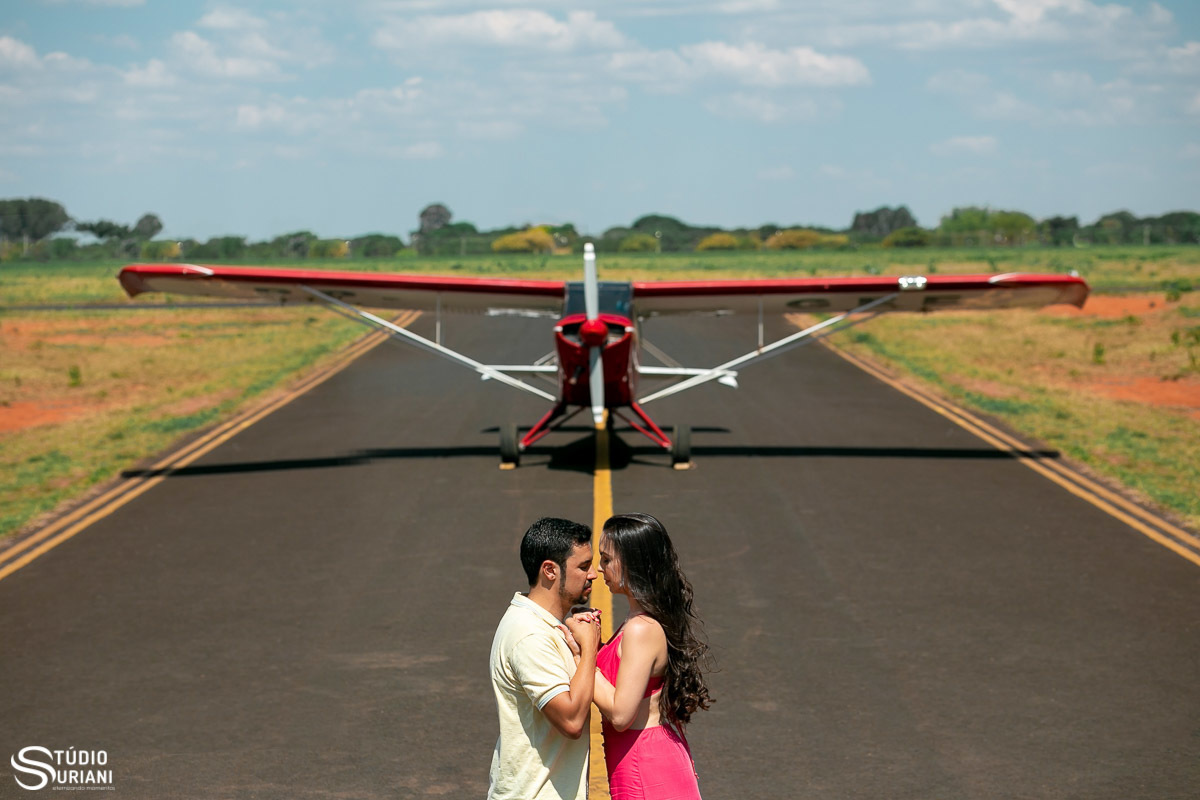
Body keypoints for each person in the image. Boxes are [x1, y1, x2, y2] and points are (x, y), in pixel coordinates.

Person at [590, 513, 711, 800]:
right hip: (639, 758)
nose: (600, 567)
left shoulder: (640, 629)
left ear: (632, 563)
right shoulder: (639, 622)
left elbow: (621, 714)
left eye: (607, 559)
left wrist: (580, 660)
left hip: (644, 763)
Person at [488, 517, 602, 800]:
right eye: (583, 566)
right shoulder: (530, 636)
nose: (593, 575)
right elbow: (571, 721)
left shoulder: (543, 625)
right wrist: (589, 649)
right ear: (550, 570)